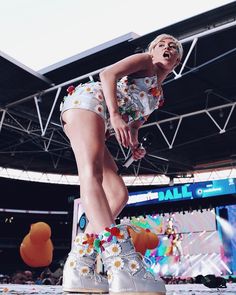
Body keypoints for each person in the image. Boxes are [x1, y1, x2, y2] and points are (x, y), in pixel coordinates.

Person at [60, 33, 183, 294]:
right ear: (152, 50)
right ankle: (122, 264)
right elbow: (107, 75)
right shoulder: (145, 61)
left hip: (101, 116)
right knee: (91, 174)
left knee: (118, 195)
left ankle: (80, 266)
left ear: (176, 61)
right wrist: (114, 116)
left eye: (173, 47)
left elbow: (135, 123)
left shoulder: (157, 96)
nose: (166, 48)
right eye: (161, 44)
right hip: (89, 102)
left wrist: (135, 145)